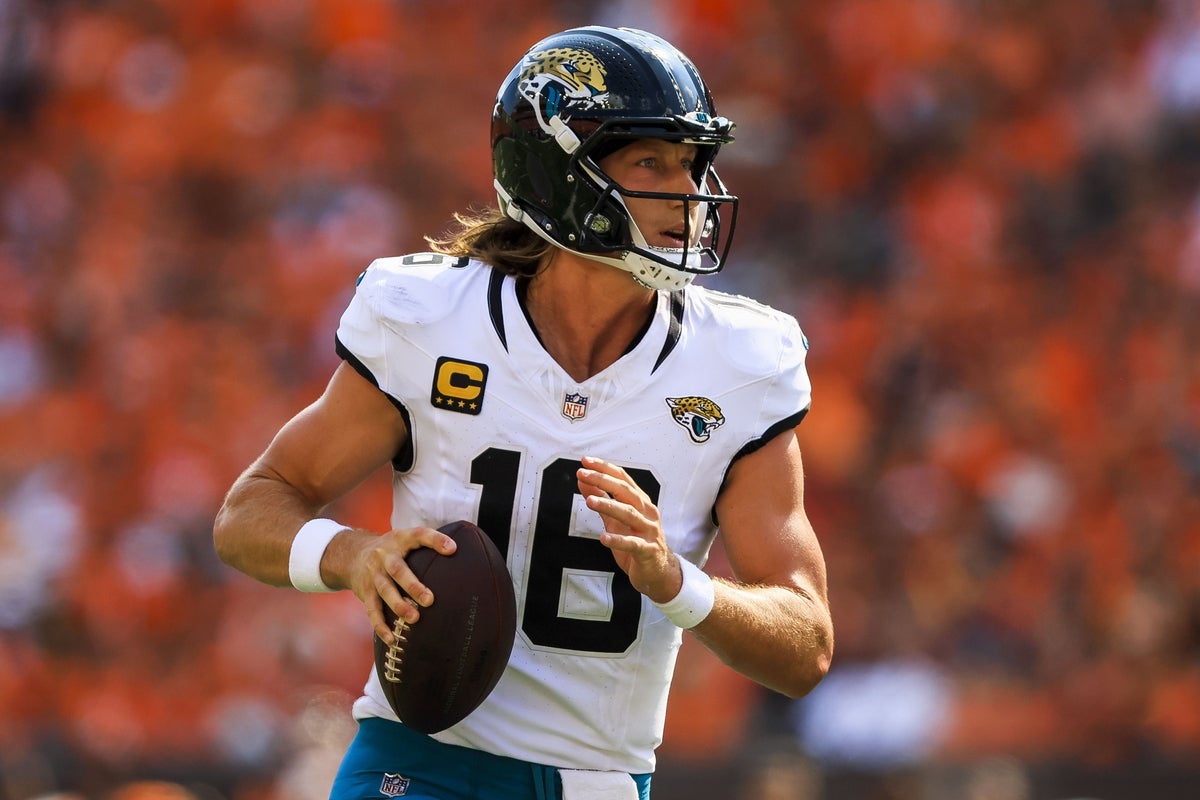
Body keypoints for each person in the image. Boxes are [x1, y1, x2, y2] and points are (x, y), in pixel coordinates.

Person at [213, 24, 833, 800]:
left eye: (694, 163)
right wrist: (352, 556)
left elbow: (805, 646)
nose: (691, 193)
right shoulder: (431, 320)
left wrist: (679, 583)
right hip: (414, 765)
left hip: (596, 783)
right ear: (558, 173)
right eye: (652, 161)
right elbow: (248, 512)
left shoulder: (740, 364)